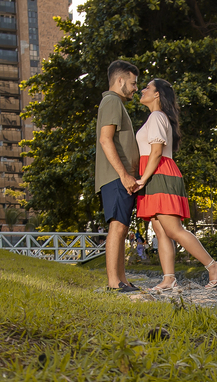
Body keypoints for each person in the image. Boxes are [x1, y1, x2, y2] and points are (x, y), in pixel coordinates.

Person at [132, 79, 217, 292]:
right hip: (154, 173)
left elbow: (156, 151)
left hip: (158, 174)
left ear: (157, 94)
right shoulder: (155, 117)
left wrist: (143, 179)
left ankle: (214, 267)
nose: (142, 90)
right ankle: (169, 279)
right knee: (160, 230)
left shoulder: (157, 116)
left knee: (173, 229)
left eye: (147, 87)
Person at [95, 60, 140, 292]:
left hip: (120, 177)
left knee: (122, 227)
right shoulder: (112, 101)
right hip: (116, 177)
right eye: (133, 83)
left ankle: (121, 280)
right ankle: (114, 283)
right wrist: (123, 175)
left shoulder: (116, 104)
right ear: (120, 80)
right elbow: (105, 139)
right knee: (118, 226)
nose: (135, 88)